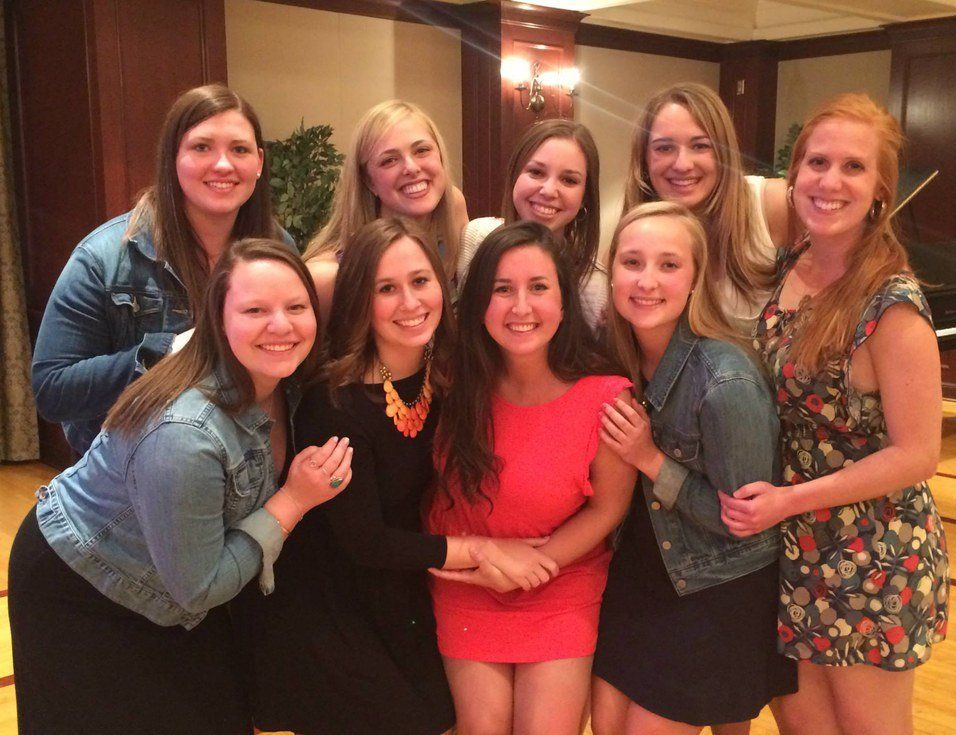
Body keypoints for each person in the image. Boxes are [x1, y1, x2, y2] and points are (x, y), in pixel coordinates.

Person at [8, 239, 352, 735]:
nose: (281, 325)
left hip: (170, 579)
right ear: (217, 320)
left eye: (297, 307)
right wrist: (294, 500)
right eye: (255, 310)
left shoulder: (285, 380)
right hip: (83, 586)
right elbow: (199, 589)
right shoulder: (184, 434)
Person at [239, 219, 556, 735]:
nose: (410, 302)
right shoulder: (334, 404)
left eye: (420, 281)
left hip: (408, 591)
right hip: (337, 609)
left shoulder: (447, 371)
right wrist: (483, 550)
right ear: (360, 301)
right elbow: (365, 543)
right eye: (386, 289)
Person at [718, 94, 950, 735]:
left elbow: (918, 455)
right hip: (793, 546)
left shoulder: (891, 305)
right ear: (793, 175)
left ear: (880, 191)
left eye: (854, 167)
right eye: (817, 162)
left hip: (872, 553)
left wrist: (789, 502)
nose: (830, 181)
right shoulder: (790, 265)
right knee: (803, 724)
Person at [589, 201, 796, 735]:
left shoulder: (725, 382)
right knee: (606, 723)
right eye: (632, 262)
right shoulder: (614, 355)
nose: (647, 281)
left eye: (669, 265)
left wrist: (649, 458)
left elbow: (744, 524)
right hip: (639, 575)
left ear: (695, 280)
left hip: (713, 587)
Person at [427, 221, 637, 734]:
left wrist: (532, 566)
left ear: (564, 303)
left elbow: (609, 507)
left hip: (561, 581)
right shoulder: (450, 383)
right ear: (480, 303)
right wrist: (488, 562)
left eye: (539, 287)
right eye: (502, 289)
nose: (521, 307)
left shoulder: (606, 396)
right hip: (467, 582)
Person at [32, 84, 289, 456]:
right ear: (172, 157)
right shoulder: (104, 257)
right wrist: (170, 350)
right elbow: (53, 390)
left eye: (239, 149)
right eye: (202, 147)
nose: (223, 164)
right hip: (129, 473)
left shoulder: (278, 247)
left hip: (246, 467)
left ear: (260, 162)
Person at [623, 82, 796, 335]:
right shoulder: (634, 236)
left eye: (700, 146)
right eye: (664, 148)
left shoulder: (771, 204)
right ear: (644, 159)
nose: (682, 164)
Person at [303, 99, 468, 317]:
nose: (411, 168)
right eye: (389, 160)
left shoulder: (453, 207)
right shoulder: (329, 277)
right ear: (368, 181)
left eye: (422, 150)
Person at [456, 118, 607, 328]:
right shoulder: (477, 237)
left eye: (569, 180)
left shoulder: (593, 286)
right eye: (536, 172)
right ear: (515, 175)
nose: (549, 191)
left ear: (585, 197)